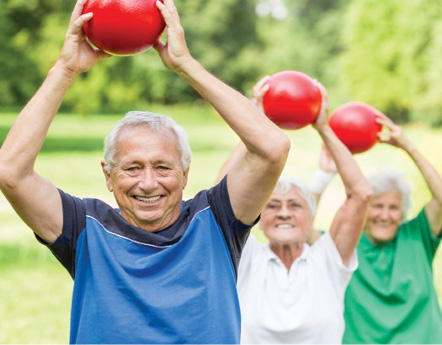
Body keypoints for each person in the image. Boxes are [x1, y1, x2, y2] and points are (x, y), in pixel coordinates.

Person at [0, 0, 291, 343]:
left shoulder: (217, 221)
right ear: (108, 176)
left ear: (185, 173)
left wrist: (184, 65)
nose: (149, 182)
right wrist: (65, 69)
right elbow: (10, 171)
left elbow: (272, 147)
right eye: (133, 167)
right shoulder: (84, 229)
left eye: (163, 167)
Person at [216, 76, 372, 344]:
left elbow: (360, 195)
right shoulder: (247, 258)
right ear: (259, 220)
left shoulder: (327, 260)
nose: (284, 213)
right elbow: (221, 196)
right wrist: (256, 121)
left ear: (310, 219)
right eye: (273, 206)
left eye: (295, 205)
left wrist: (323, 128)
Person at [339, 113, 442, 343]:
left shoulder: (417, 236)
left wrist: (409, 149)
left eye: (393, 207)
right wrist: (325, 171)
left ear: (403, 211)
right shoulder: (346, 243)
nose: (384, 215)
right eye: (377, 206)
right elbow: (304, 229)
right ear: (364, 209)